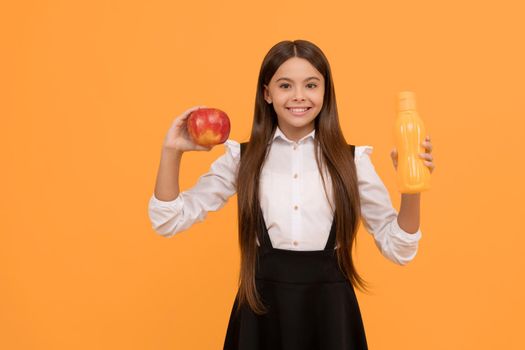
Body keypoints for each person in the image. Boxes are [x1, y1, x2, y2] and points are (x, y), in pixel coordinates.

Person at [148, 39, 435, 350]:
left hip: (330, 316)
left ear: (326, 92)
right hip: (262, 315)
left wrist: (412, 187)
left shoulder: (352, 161)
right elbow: (168, 220)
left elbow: (399, 249)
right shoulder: (243, 158)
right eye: (285, 85)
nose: (299, 96)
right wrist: (171, 152)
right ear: (267, 93)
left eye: (311, 85)